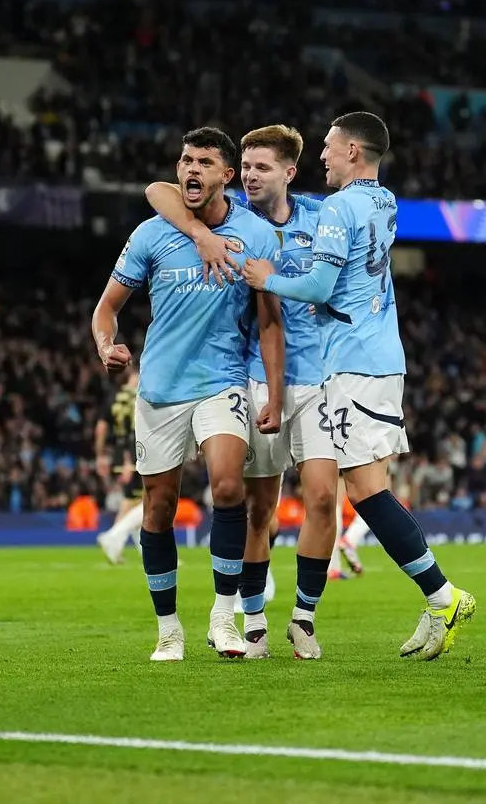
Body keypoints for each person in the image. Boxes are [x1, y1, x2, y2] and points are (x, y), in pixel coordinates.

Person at [243, 112, 476, 661]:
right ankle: (439, 597)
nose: (322, 156)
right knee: (364, 486)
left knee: (366, 488)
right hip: (371, 356)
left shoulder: (340, 208)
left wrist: (266, 279)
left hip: (356, 362)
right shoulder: (383, 201)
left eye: (328, 147)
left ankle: (444, 596)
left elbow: (322, 284)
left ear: (352, 151)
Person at [91, 126, 285, 662]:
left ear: (229, 175)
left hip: (221, 382)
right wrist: (107, 346)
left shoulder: (258, 236)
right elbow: (106, 309)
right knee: (159, 507)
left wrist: (273, 393)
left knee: (227, 487)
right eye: (185, 161)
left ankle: (224, 617)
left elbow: (270, 324)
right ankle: (168, 628)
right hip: (159, 387)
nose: (191, 170)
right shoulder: (152, 234)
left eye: (204, 162)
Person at [143, 124, 336, 660]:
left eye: (261, 168)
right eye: (245, 167)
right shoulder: (233, 223)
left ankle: (302, 617)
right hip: (247, 374)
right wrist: (203, 236)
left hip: (317, 375)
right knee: (257, 509)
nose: (251, 176)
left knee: (322, 497)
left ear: (289, 173)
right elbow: (158, 190)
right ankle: (251, 622)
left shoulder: (322, 218)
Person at [94, 363, 145, 565]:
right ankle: (113, 536)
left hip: (118, 454)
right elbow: (137, 429)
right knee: (151, 501)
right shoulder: (138, 398)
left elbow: (101, 429)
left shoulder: (113, 398)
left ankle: (116, 545)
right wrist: (128, 460)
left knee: (130, 502)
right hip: (136, 454)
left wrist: (100, 455)